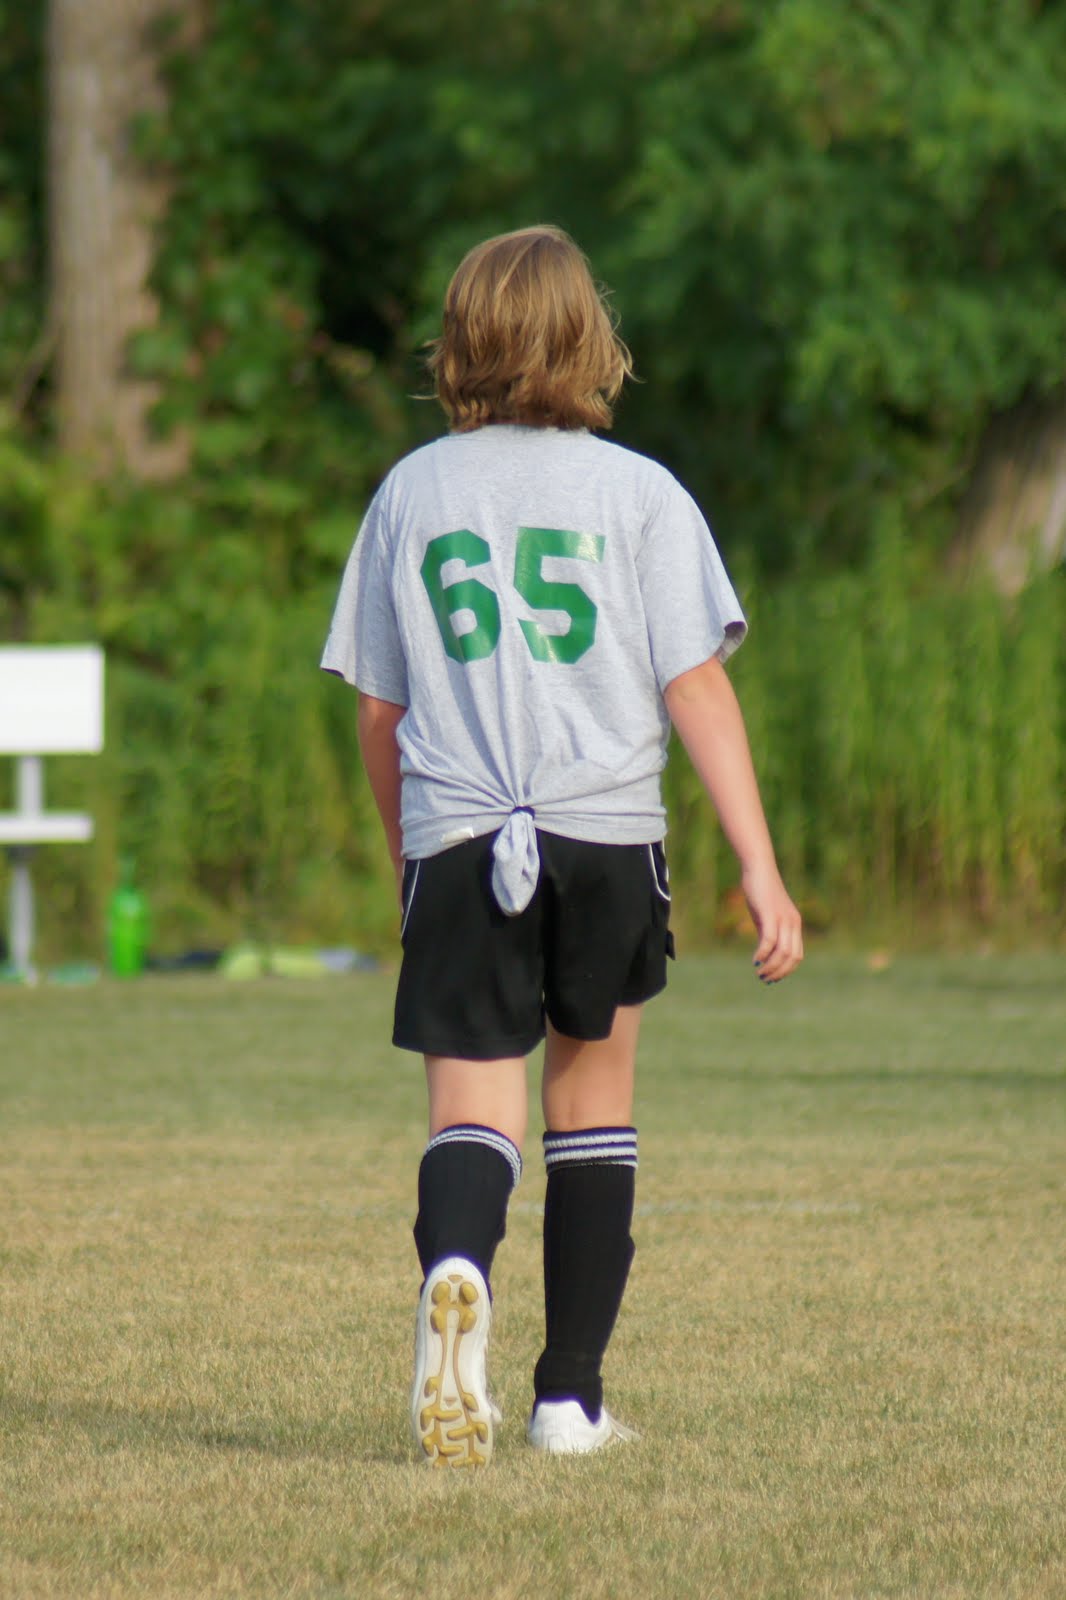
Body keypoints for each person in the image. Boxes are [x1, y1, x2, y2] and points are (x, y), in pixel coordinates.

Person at [321, 224, 803, 1467]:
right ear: (589, 339)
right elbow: (695, 686)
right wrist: (758, 861)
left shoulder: (411, 491)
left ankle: (457, 1267)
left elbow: (379, 712)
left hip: (462, 831)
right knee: (589, 1102)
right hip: (603, 835)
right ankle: (568, 1400)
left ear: (461, 342)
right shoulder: (639, 491)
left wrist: (405, 853)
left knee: (470, 1107)